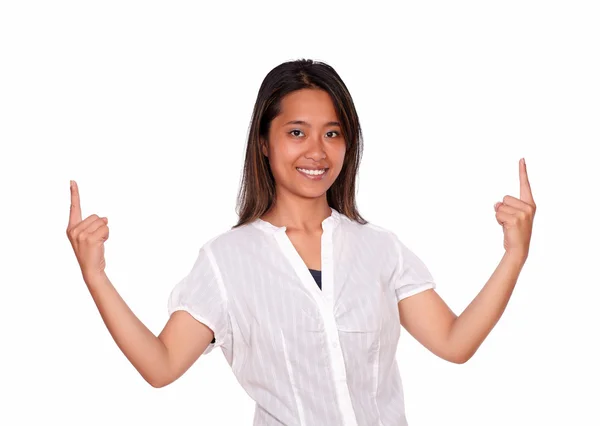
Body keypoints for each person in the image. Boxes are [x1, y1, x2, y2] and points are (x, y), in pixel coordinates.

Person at [66, 58, 536, 426]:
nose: (317, 151)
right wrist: (96, 276)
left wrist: (514, 255)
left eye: (332, 133)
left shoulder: (380, 249)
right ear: (265, 143)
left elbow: (454, 343)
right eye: (296, 133)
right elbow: (162, 365)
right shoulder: (226, 261)